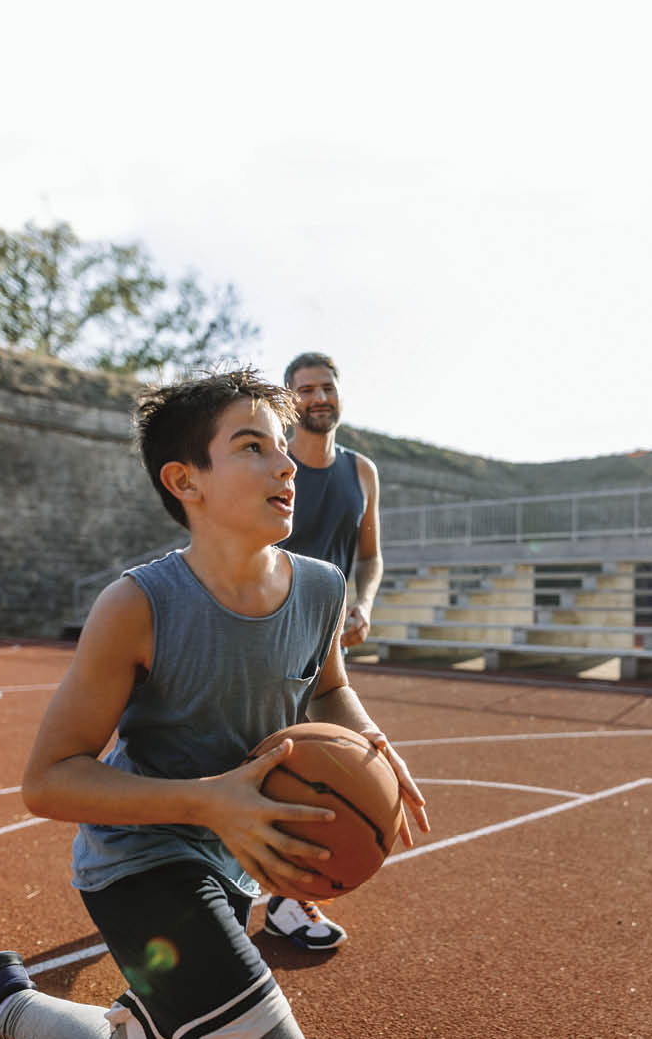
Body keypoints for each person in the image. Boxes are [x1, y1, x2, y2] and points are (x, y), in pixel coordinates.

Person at [0, 368, 428, 1039]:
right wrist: (209, 799)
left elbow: (329, 688)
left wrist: (370, 744)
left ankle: (2, 1010)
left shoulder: (321, 588)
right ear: (185, 481)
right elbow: (47, 780)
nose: (285, 463)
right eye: (253, 446)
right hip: (140, 861)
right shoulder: (138, 606)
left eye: (283, 445)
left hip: (235, 854)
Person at [264, 352, 383, 953]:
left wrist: (362, 602)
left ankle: (286, 895)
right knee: (262, 759)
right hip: (267, 634)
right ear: (290, 401)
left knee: (315, 772)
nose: (317, 397)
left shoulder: (362, 471)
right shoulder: (273, 466)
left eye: (326, 387)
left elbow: (370, 555)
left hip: (329, 647)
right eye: (304, 389)